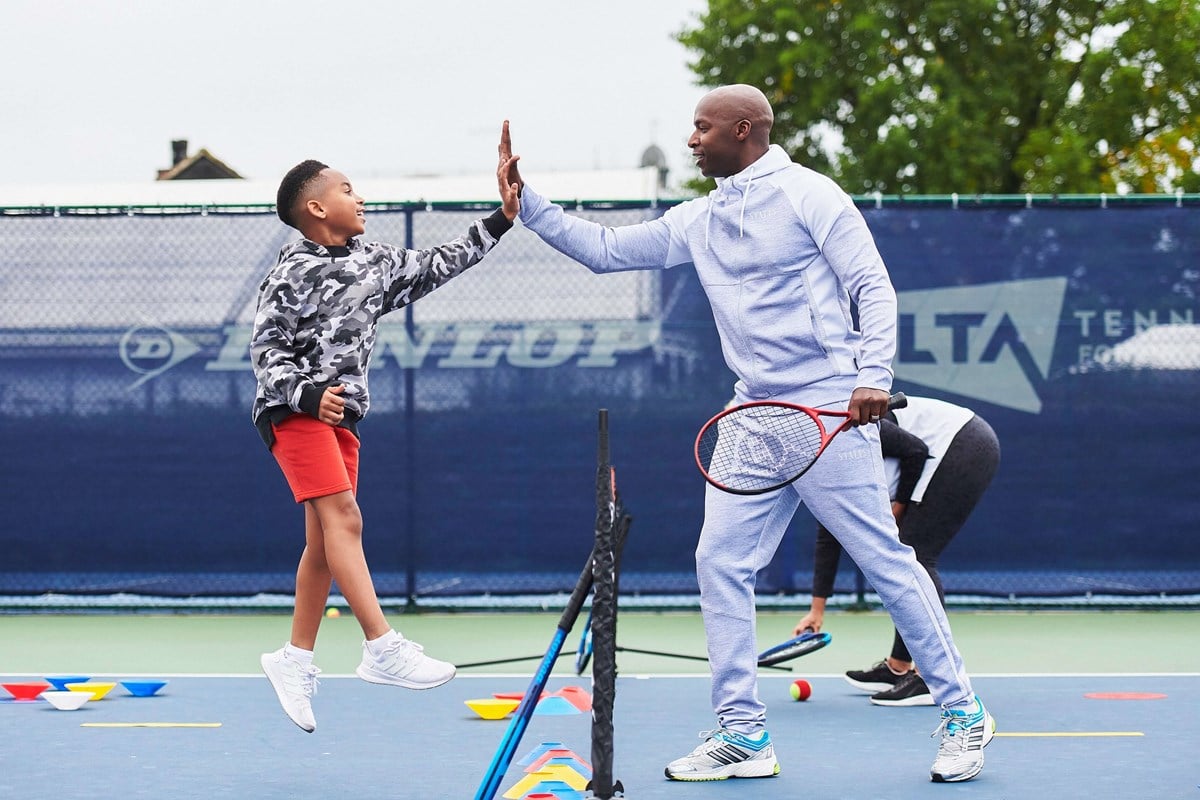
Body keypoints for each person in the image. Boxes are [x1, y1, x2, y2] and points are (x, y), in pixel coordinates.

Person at [499, 85, 994, 784]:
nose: (692, 140)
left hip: (826, 409)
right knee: (720, 562)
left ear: (743, 130)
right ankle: (743, 733)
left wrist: (871, 375)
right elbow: (607, 251)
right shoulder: (700, 218)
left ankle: (964, 712)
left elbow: (872, 286)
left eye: (702, 128)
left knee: (886, 561)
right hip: (752, 415)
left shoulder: (811, 195)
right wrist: (530, 205)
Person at [250, 155, 520, 732]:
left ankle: (294, 659)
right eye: (348, 190)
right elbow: (266, 354)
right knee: (345, 518)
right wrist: (306, 396)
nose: (361, 197)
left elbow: (441, 262)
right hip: (294, 414)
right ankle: (382, 647)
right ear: (317, 208)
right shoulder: (289, 273)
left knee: (325, 542)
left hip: (343, 419)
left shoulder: (376, 263)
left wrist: (502, 217)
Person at [794, 396, 1000, 707]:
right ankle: (898, 667)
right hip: (940, 451)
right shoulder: (814, 462)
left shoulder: (839, 427)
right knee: (910, 555)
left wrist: (899, 505)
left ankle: (930, 676)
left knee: (917, 555)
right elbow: (830, 531)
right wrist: (817, 611)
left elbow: (915, 450)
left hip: (963, 441)